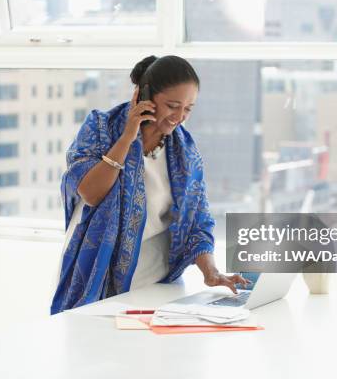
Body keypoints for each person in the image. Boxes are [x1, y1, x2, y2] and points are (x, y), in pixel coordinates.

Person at [51, 55, 248, 314]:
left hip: (157, 283)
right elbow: (91, 193)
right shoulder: (101, 127)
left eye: (188, 108)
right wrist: (128, 137)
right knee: (90, 346)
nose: (179, 117)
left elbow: (198, 220)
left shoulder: (185, 153)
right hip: (97, 274)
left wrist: (211, 272)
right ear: (144, 96)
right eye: (172, 105)